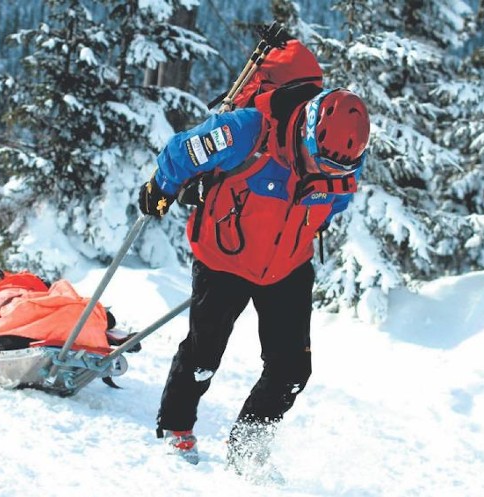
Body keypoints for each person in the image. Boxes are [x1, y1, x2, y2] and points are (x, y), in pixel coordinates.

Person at [137, 83, 370, 479]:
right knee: (203, 354)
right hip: (224, 256)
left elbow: (336, 201)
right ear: (306, 129)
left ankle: (247, 448)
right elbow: (184, 150)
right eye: (319, 162)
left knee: (292, 370)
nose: (323, 172)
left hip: (288, 266)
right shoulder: (249, 130)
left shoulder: (344, 156)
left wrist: (300, 231)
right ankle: (176, 428)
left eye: (335, 170)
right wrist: (163, 186)